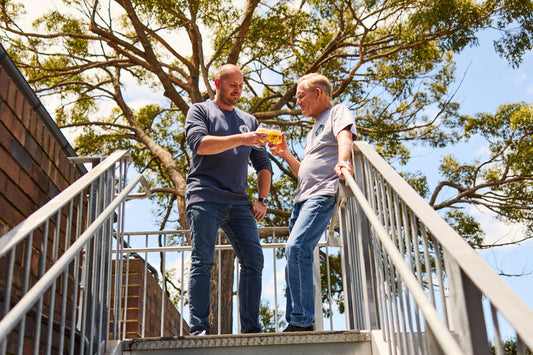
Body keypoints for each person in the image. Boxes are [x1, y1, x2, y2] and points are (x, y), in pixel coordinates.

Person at [185, 64, 272, 335]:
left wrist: (262, 199)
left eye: (241, 85)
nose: (238, 90)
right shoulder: (199, 110)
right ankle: (199, 328)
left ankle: (250, 330)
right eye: (233, 84)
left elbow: (262, 163)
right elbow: (200, 144)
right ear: (217, 83)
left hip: (238, 202)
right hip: (204, 195)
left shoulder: (250, 120)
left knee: (254, 260)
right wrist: (243, 138)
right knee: (203, 260)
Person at [269, 73, 356, 332]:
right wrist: (285, 153)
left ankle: (302, 321)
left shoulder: (337, 112)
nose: (297, 102)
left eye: (300, 96)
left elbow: (345, 136)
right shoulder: (314, 128)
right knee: (292, 255)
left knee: (297, 248)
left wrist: (343, 160)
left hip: (322, 194)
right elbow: (303, 171)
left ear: (318, 93)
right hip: (302, 199)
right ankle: (297, 319)